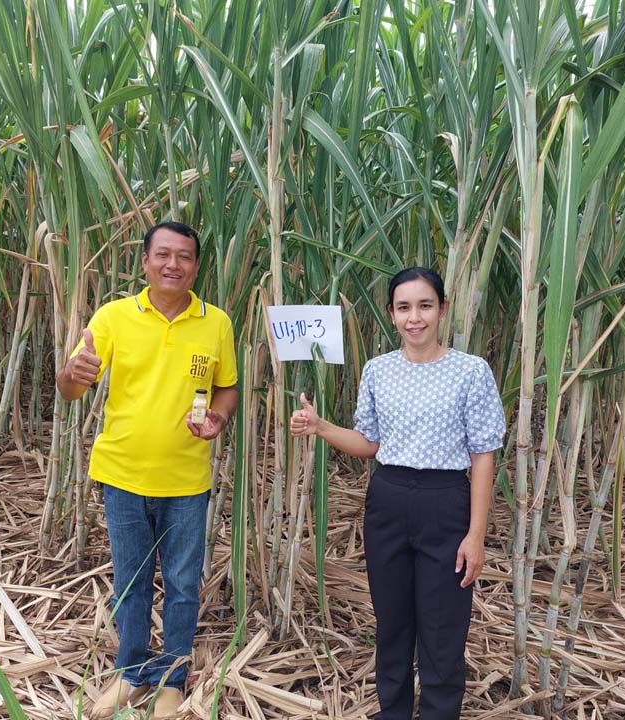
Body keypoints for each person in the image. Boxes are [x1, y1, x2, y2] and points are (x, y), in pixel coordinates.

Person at [290, 267, 504, 720]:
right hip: (387, 500)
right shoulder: (378, 370)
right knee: (392, 623)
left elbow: (483, 455)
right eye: (404, 307)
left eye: (425, 305)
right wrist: (321, 427)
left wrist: (476, 535)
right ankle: (394, 711)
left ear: (442, 309)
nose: (414, 317)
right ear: (391, 314)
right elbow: (369, 443)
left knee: (442, 627)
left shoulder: (470, 371)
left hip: (445, 502)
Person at [57, 222, 238, 719]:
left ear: (196, 267)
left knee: (182, 584)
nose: (173, 264)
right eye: (163, 254)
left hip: (187, 480)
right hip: (122, 475)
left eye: (184, 256)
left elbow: (227, 386)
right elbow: (70, 387)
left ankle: (172, 680)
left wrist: (220, 417)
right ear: (145, 261)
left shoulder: (215, 323)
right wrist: (72, 374)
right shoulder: (113, 317)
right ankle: (130, 674)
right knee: (130, 582)